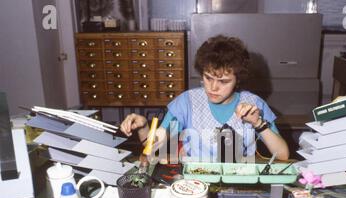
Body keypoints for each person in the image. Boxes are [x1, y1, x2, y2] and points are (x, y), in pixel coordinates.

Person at [120, 35, 289, 162]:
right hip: (196, 182)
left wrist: (258, 124)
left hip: (240, 181)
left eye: (223, 81)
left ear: (238, 79)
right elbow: (155, 149)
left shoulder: (254, 104)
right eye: (208, 78)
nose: (213, 87)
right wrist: (143, 127)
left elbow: (283, 155)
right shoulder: (186, 102)